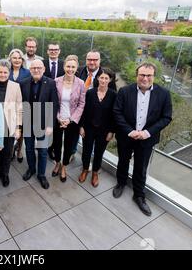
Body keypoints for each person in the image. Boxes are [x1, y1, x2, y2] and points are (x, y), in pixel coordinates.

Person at [113, 62, 172, 216]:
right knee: (123, 161)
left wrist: (147, 133)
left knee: (141, 167)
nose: (145, 78)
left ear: (154, 76)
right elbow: (117, 112)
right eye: (142, 75)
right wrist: (129, 131)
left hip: (147, 139)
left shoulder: (164, 94)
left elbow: (166, 117)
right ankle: (121, 183)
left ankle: (139, 195)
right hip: (127, 136)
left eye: (148, 75)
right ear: (136, 75)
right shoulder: (125, 91)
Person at [21, 60, 60, 189]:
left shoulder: (50, 83)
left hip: (43, 123)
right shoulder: (24, 83)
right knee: (29, 148)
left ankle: (41, 175)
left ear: (43, 69)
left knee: (43, 151)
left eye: (38, 68)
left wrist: (50, 125)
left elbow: (54, 105)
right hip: (27, 122)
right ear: (30, 69)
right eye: (33, 68)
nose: (36, 70)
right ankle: (31, 169)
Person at [78, 68, 117, 188]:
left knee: (99, 152)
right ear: (98, 78)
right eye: (102, 77)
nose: (104, 80)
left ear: (110, 80)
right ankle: (85, 169)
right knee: (86, 151)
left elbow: (115, 115)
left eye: (106, 78)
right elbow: (83, 111)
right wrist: (81, 127)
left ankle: (95, 172)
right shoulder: (90, 93)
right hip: (89, 128)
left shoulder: (114, 95)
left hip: (104, 131)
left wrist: (111, 131)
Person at [51, 55, 85, 182]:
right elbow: (53, 101)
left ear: (76, 68)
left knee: (69, 145)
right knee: (57, 143)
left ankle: (64, 166)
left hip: (72, 121)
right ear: (64, 66)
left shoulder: (81, 83)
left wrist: (70, 119)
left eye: (73, 67)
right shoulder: (56, 81)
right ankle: (57, 163)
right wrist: (59, 117)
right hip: (58, 118)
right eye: (68, 66)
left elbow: (82, 104)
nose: (70, 69)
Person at [0, 59, 23, 187]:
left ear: (9, 72)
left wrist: (18, 128)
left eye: (5, 72)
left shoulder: (15, 86)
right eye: (0, 72)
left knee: (7, 152)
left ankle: (5, 173)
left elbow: (19, 108)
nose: (3, 74)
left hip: (9, 125)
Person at [69, 50, 104, 162]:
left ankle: (89, 160)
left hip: (94, 114)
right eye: (89, 59)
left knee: (90, 140)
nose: (92, 62)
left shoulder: (105, 75)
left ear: (100, 61)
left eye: (95, 59)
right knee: (74, 134)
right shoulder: (78, 71)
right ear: (86, 60)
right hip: (77, 110)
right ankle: (72, 152)